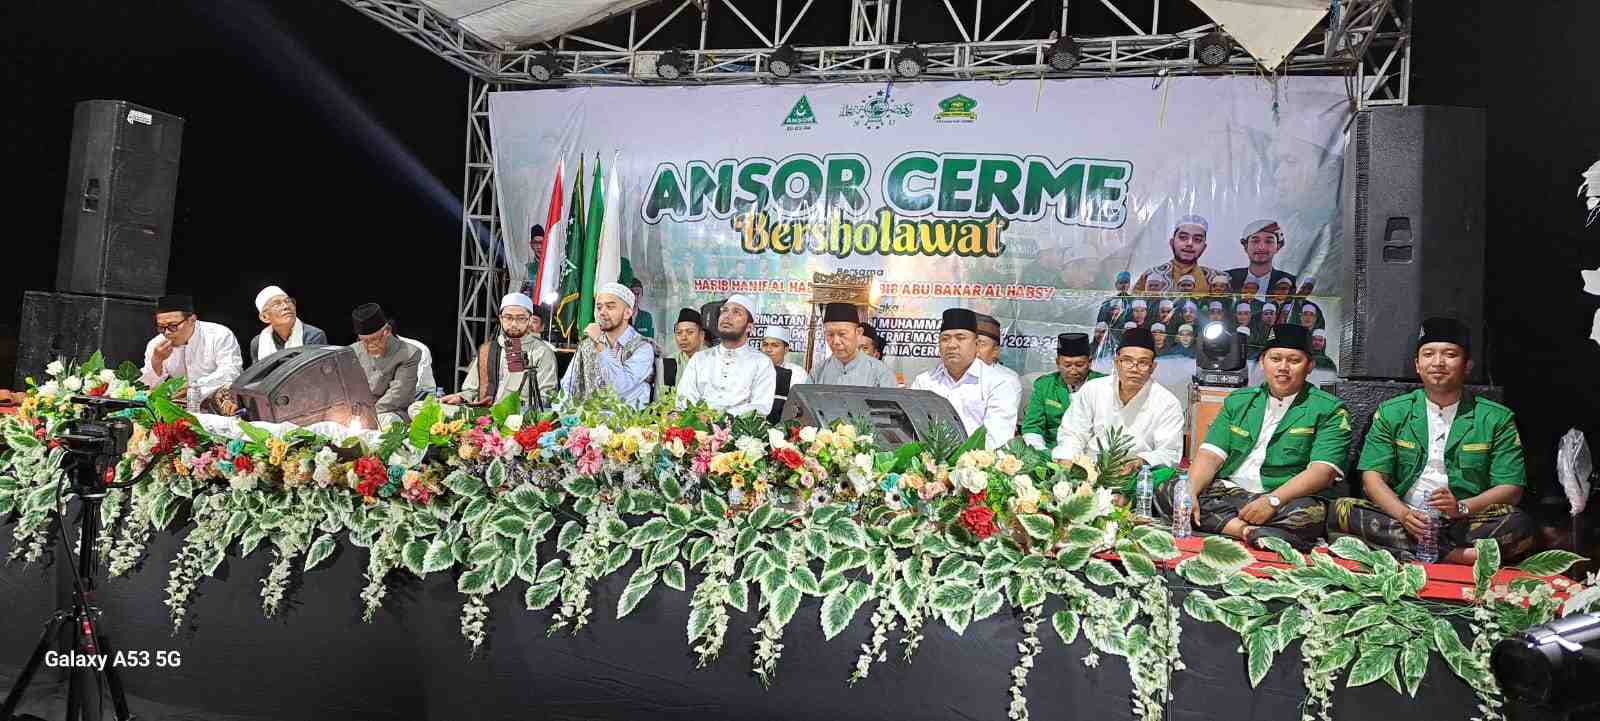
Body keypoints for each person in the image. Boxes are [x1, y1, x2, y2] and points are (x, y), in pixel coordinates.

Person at [1328, 318, 1535, 564]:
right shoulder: (1392, 412)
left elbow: (1510, 488)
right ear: (1417, 365)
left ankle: (1416, 552)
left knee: (1520, 524)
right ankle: (1456, 555)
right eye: (1428, 354)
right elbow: (1372, 479)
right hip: (1404, 519)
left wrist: (1461, 507)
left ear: (1467, 365)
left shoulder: (1495, 417)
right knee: (1340, 511)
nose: (1438, 362)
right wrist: (1405, 515)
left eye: (1450, 354)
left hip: (1464, 520)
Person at [1156, 324, 1351, 551]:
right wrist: (1191, 491)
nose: (1283, 367)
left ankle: (1222, 523)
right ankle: (1245, 531)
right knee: (1170, 490)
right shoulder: (1239, 401)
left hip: (1283, 498)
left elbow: (1322, 472)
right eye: (1275, 358)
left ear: (1310, 366)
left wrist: (1272, 501)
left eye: (1294, 360)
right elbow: (1210, 455)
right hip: (1230, 491)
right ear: (1262, 362)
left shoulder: (1329, 409)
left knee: (1308, 515)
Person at [1051, 328, 1185, 493]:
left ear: (1152, 367)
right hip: (1090, 472)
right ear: (1116, 363)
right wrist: (1068, 459)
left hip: (1135, 478)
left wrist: (1140, 461)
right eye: (1127, 360)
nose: (1134, 368)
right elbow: (1073, 433)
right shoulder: (1093, 389)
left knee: (1166, 475)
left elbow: (1169, 452)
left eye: (1142, 363)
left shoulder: (1167, 403)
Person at [911, 308, 1020, 450]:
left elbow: (997, 441)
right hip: (930, 463)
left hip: (978, 465)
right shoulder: (924, 382)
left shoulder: (1000, 383)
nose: (951, 345)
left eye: (960, 338)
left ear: (976, 345)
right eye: (945, 339)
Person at [441, 293, 558, 411]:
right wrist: (461, 398)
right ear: (500, 318)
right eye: (508, 317)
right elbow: (472, 390)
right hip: (482, 420)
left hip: (520, 423)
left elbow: (547, 398)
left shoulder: (542, 352)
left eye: (521, 318)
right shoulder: (487, 350)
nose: (514, 324)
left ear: (529, 320)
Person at [677, 294, 777, 416]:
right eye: (724, 311)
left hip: (741, 431)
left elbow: (761, 406)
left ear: (749, 327)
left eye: (736, 312)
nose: (727, 316)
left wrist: (726, 417)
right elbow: (684, 398)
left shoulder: (762, 363)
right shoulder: (699, 359)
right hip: (698, 429)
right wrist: (699, 418)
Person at [560, 283, 656, 408]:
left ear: (627, 313)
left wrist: (599, 344)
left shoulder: (642, 347)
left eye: (610, 307)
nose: (602, 313)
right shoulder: (588, 344)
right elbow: (568, 385)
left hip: (629, 424)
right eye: (599, 308)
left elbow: (620, 385)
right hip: (587, 422)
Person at [140, 294, 243, 410]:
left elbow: (231, 372)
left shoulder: (219, 335)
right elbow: (147, 387)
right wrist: (156, 362)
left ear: (192, 320)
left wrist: (193, 388)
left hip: (216, 405)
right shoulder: (156, 344)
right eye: (161, 327)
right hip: (180, 409)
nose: (167, 332)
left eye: (173, 326)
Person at [1020, 333, 1105, 451]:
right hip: (1051, 452)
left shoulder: (1103, 385)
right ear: (1057, 363)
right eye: (1067, 365)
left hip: (1093, 454)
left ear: (1089, 362)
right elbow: (1032, 426)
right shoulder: (1044, 385)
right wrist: (1042, 453)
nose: (1073, 370)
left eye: (1079, 365)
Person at [349, 303, 420, 426]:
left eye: (374, 339)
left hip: (390, 411)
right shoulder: (351, 352)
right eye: (364, 341)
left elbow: (399, 394)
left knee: (385, 423)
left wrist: (369, 415)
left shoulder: (409, 354)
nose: (370, 345)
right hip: (356, 412)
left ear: (387, 331)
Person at [1134, 214, 1223, 295]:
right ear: (1172, 243)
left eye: (1197, 239)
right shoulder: (1150, 275)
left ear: (1204, 247)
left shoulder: (1217, 278)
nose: (1189, 243)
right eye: (1183, 237)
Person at [812, 304, 897, 387]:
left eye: (842, 334)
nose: (836, 341)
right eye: (830, 334)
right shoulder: (818, 371)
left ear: (858, 333)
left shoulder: (881, 373)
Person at [248, 285, 328, 364]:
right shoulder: (258, 343)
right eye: (277, 304)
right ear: (265, 317)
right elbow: (259, 375)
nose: (286, 306)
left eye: (288, 301)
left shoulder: (313, 336)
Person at [1227, 220, 1298, 301]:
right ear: (1246, 246)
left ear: (1278, 247)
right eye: (1255, 241)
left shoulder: (1290, 281)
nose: (1261, 247)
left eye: (1268, 241)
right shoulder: (1228, 278)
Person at [663, 307, 706, 388]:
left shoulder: (713, 361)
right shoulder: (669, 361)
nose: (683, 337)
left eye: (690, 332)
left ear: (701, 335)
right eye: (679, 333)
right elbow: (664, 394)